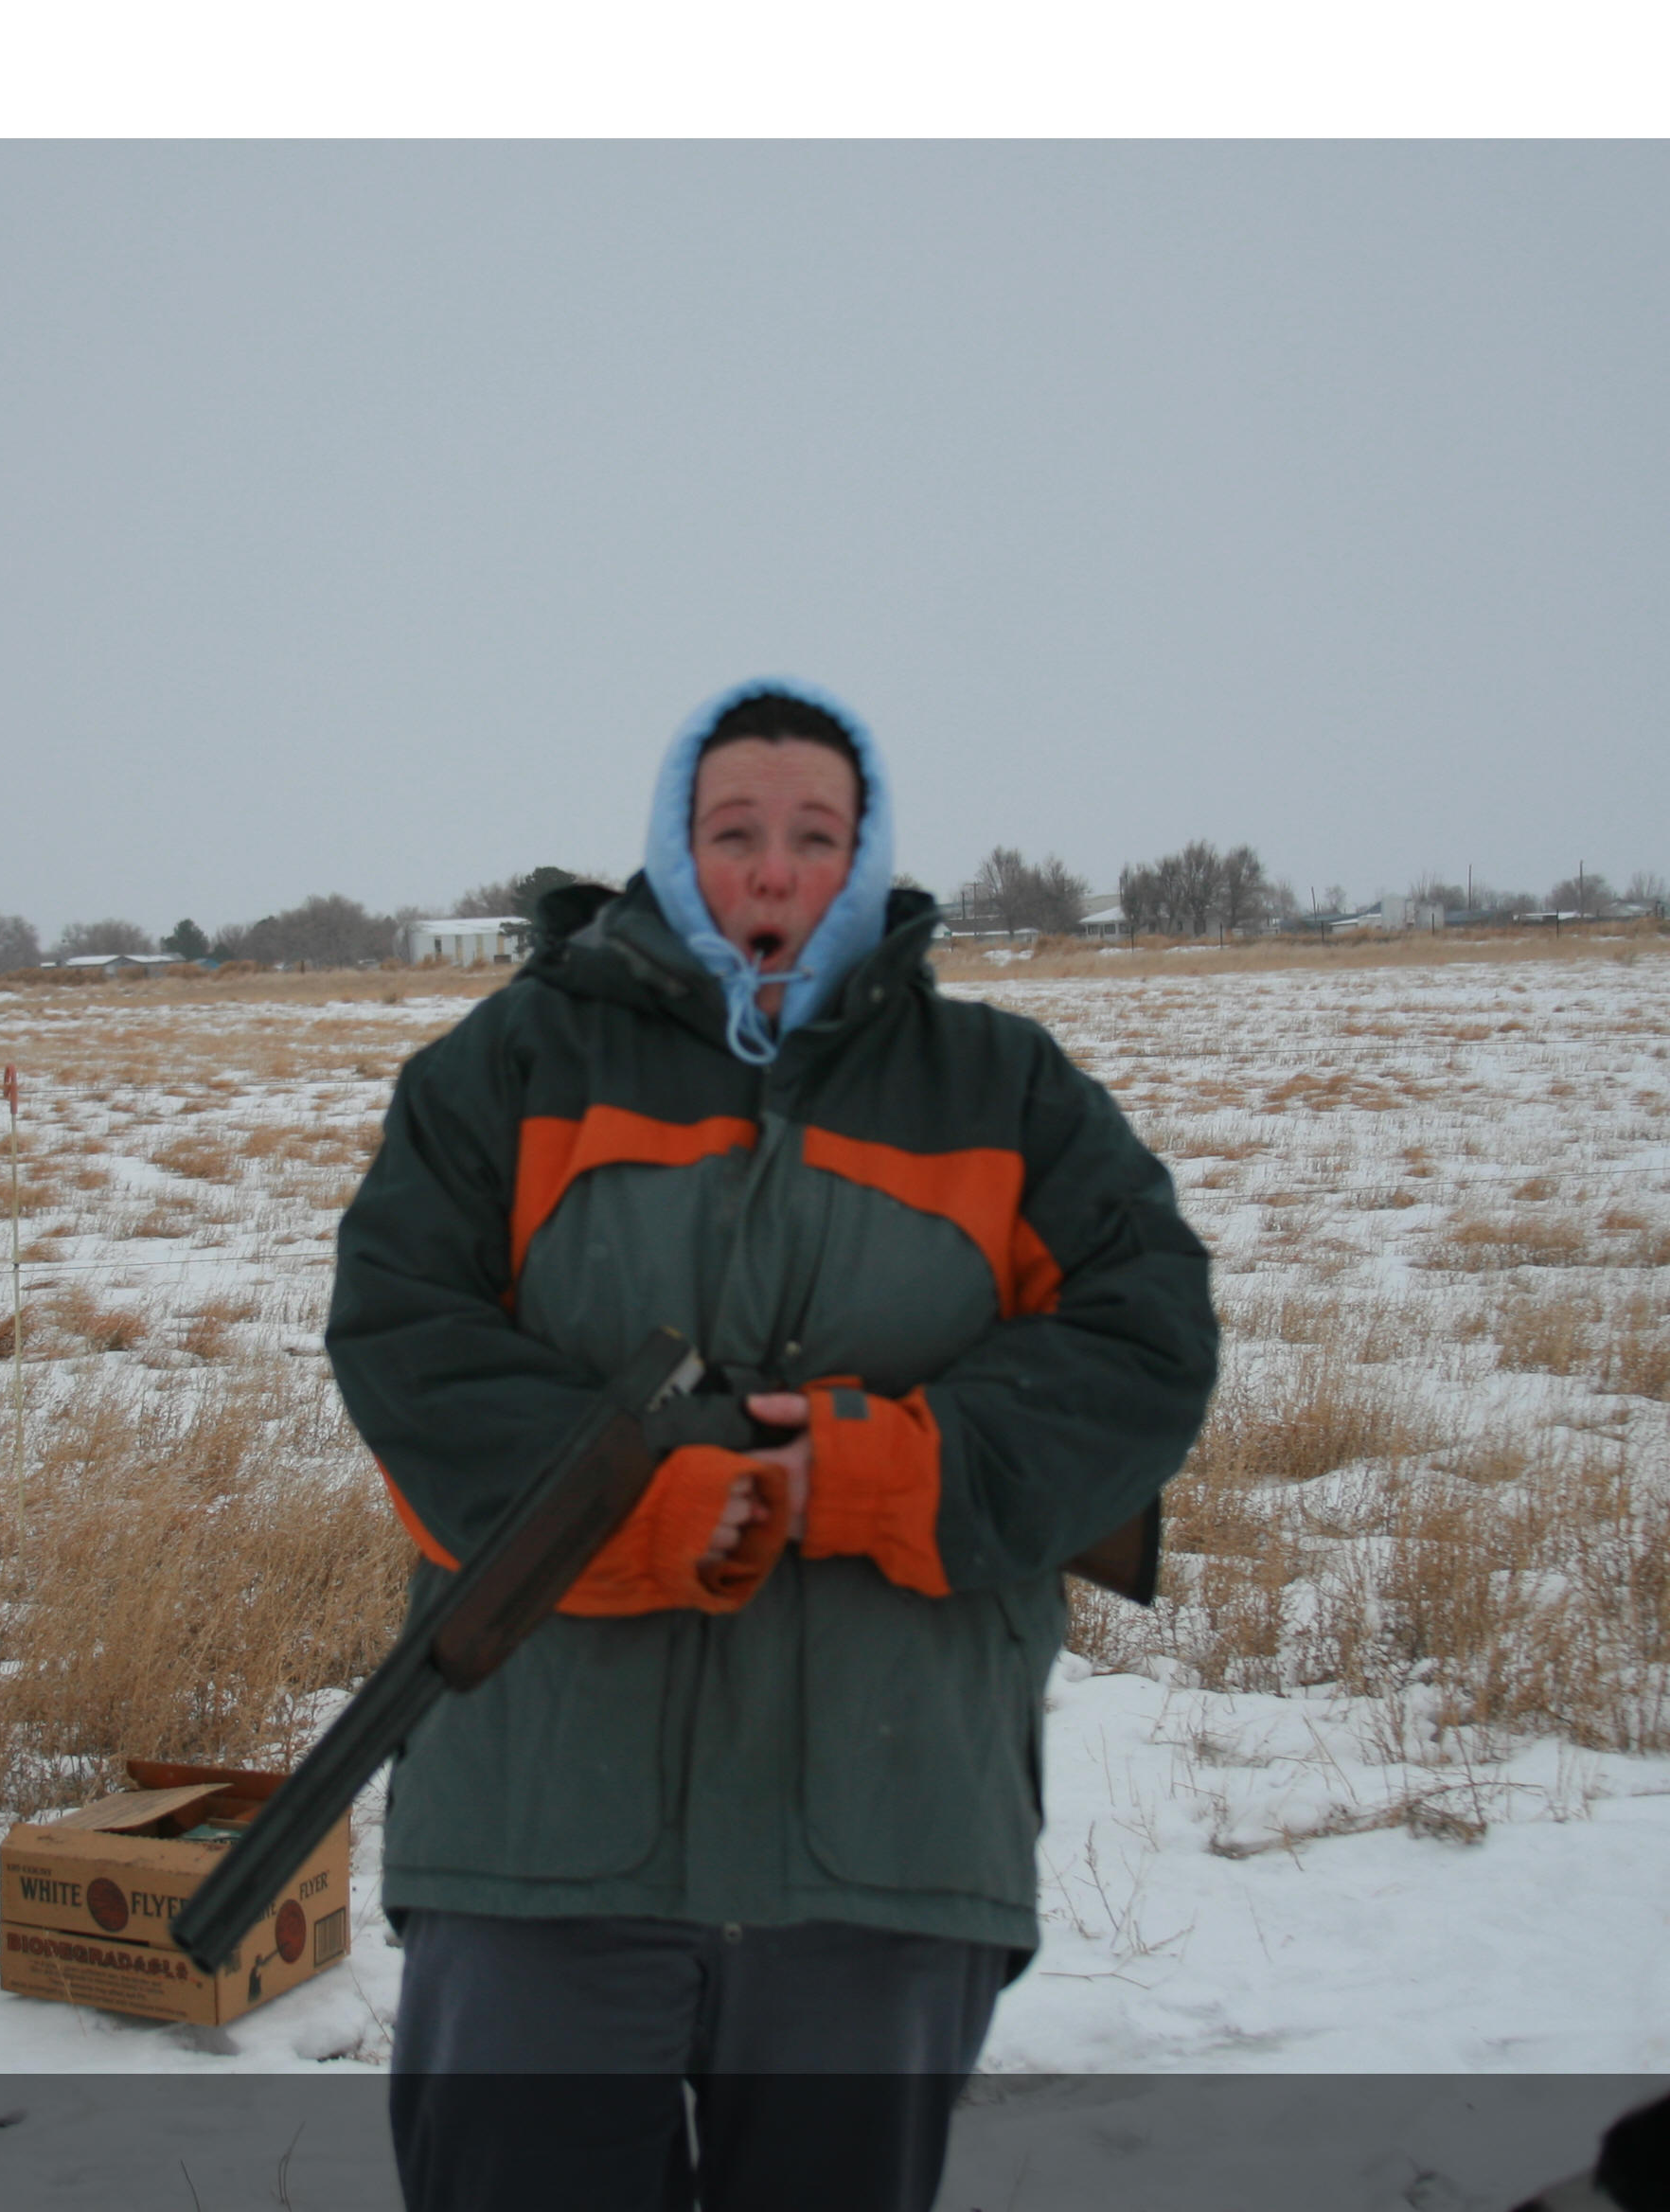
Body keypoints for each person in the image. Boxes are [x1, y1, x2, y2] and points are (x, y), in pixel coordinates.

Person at [326, 683, 1219, 2212]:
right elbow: (404, 1337)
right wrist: (634, 1507)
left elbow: (1145, 1347)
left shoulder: (1008, 1091)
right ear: (678, 854)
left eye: (816, 834)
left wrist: (889, 1479)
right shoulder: (510, 1069)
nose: (774, 868)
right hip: (539, 1836)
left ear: (865, 861)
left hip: (884, 1844)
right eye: (735, 831)